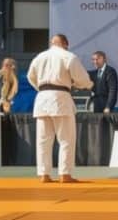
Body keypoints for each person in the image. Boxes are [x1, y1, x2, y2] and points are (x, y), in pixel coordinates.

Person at [27, 34, 93, 183]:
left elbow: (31, 76)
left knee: (43, 139)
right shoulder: (68, 56)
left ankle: (44, 174)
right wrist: (87, 84)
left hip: (43, 97)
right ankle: (65, 173)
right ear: (65, 44)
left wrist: (42, 88)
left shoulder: (39, 57)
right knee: (66, 139)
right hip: (60, 97)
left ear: (52, 43)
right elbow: (81, 78)